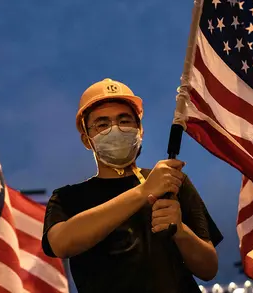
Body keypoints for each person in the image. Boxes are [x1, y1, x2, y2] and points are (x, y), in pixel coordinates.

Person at [42, 78, 223, 293]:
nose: (115, 129)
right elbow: (60, 243)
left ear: (140, 130)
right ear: (86, 139)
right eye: (102, 124)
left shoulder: (172, 182)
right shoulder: (68, 197)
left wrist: (181, 231)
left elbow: (209, 269)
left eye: (124, 120)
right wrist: (144, 191)